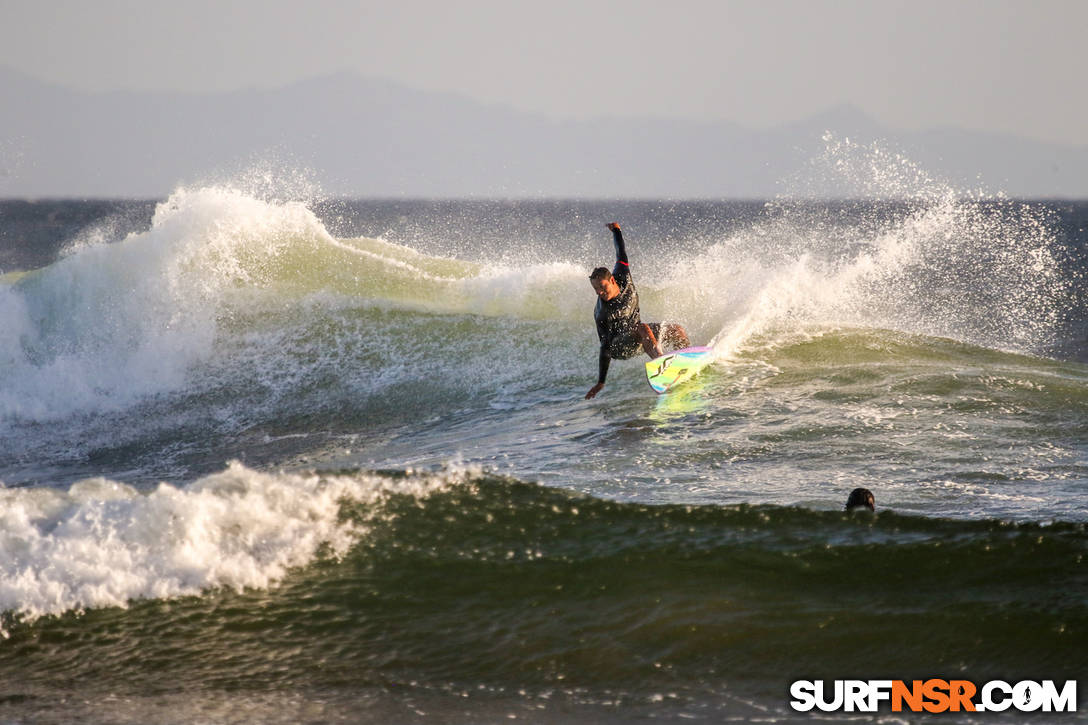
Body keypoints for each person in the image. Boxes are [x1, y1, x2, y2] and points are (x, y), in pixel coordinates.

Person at [585, 223, 688, 399]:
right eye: (595, 290)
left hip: (640, 335)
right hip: (618, 346)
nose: (599, 293)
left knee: (677, 330)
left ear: (613, 281)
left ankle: (686, 364)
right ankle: (662, 365)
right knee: (641, 328)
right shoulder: (602, 312)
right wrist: (601, 381)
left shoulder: (623, 274)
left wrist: (616, 231)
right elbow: (604, 347)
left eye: (602, 288)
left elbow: (620, 251)